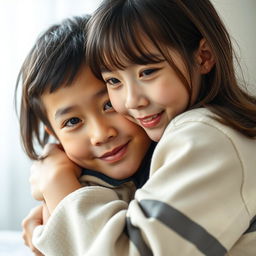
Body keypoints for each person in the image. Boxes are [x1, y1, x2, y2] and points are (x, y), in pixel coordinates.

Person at [22, 1, 256, 255]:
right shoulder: (157, 155)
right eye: (114, 80)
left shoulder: (208, 136)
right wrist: (53, 223)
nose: (132, 101)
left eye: (147, 72)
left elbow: (128, 250)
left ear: (203, 56)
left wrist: (57, 183)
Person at [16, 15, 154, 255]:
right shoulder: (72, 190)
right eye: (72, 121)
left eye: (109, 104)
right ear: (55, 135)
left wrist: (55, 180)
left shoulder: (175, 157)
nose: (101, 134)